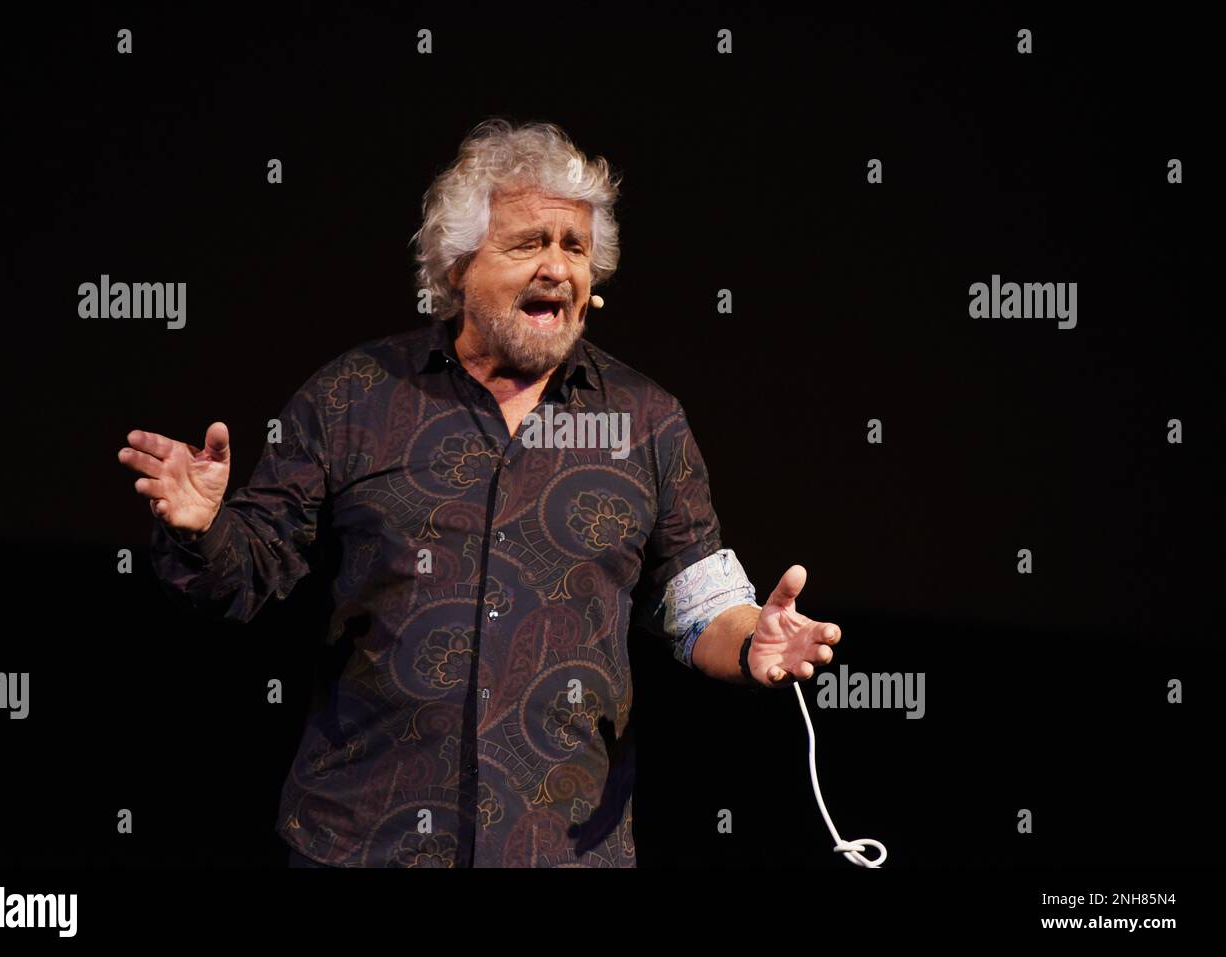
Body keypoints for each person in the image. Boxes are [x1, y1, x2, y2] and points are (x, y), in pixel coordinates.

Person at [118, 118, 843, 868]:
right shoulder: (357, 397)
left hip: (559, 849)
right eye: (529, 243)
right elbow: (245, 574)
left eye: (575, 247)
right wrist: (201, 528)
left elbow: (699, 604)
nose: (558, 268)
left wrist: (750, 636)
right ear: (458, 266)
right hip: (365, 840)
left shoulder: (647, 421)